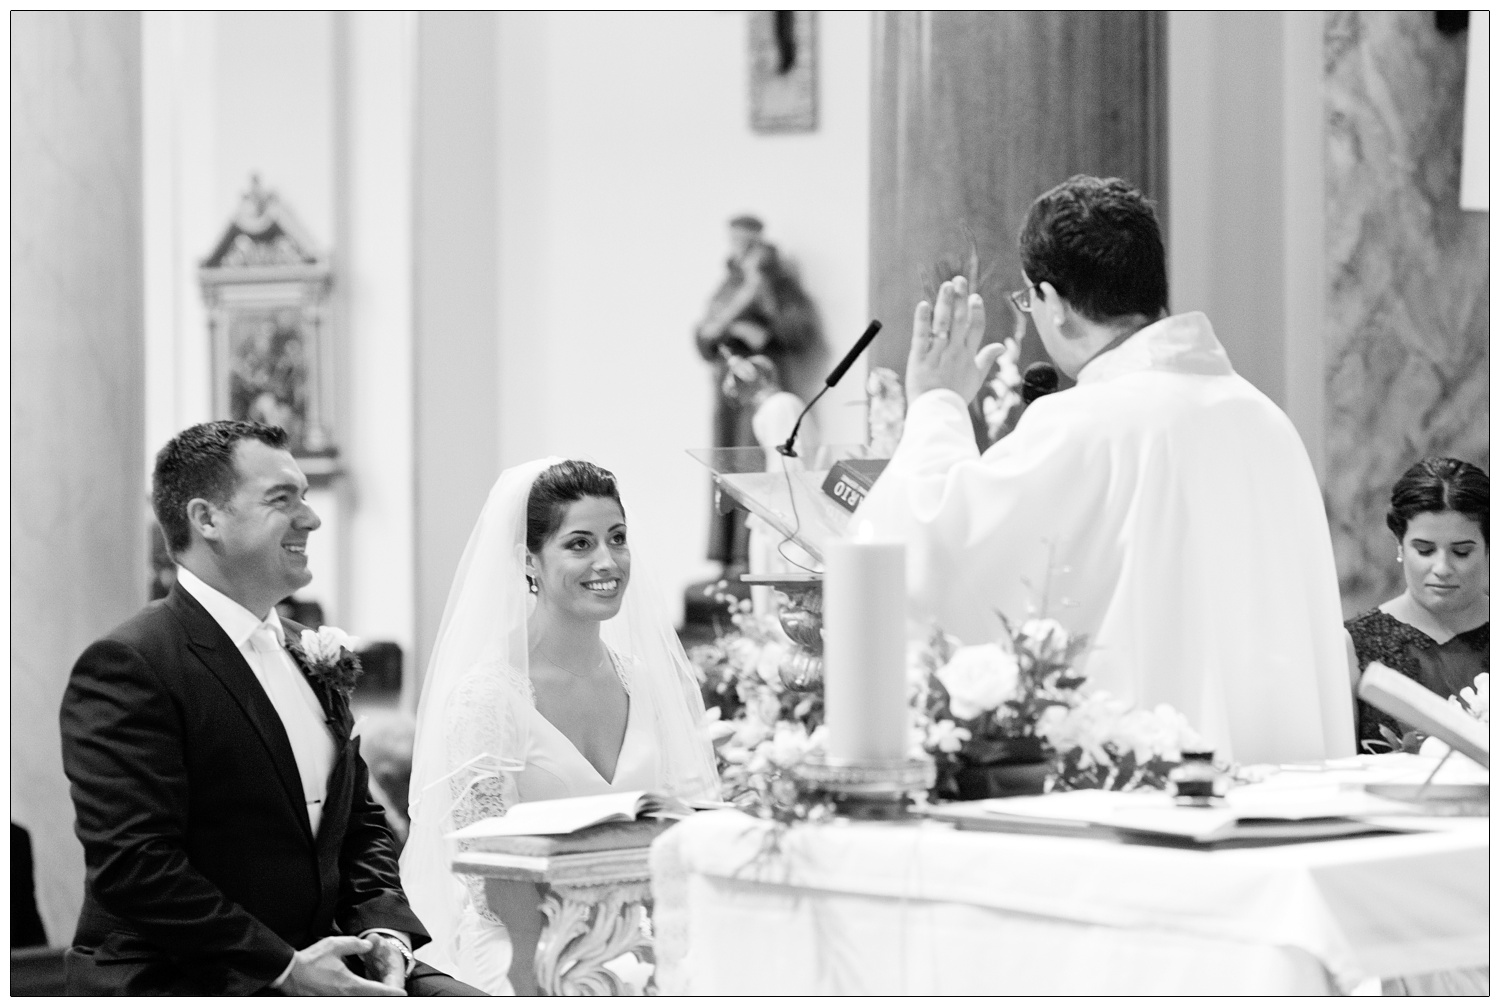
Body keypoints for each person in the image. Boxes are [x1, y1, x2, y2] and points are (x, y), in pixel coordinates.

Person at [855, 175, 1354, 765]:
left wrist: (937, 403)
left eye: (1028, 303)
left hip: (1152, 801)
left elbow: (924, 548)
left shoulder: (1087, 424)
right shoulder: (1266, 422)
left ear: (1055, 304)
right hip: (1286, 787)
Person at [58, 420, 480, 995]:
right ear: (207, 519)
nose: (311, 517)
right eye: (282, 500)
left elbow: (359, 823)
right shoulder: (130, 664)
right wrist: (285, 968)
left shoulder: (308, 653)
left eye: (305, 496)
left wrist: (384, 931)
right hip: (192, 974)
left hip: (331, 954)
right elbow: (136, 865)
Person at [401, 459, 720, 995]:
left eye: (617, 538)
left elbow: (686, 822)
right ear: (529, 561)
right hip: (521, 951)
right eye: (579, 543)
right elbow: (483, 883)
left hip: (641, 942)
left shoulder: (643, 682)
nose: (607, 561)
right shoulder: (488, 697)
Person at [694, 216, 821, 574]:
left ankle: (750, 553)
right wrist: (728, 327)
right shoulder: (729, 285)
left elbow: (800, 332)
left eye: (746, 241)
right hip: (729, 386)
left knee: (760, 460)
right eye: (734, 240)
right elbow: (704, 335)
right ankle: (727, 555)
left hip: (763, 383)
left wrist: (761, 322)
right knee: (726, 462)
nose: (739, 248)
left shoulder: (776, 284)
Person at [1345, 458, 1489, 751]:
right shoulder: (1354, 644)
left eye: (1461, 552)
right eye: (1424, 550)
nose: (1442, 567)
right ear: (1400, 545)